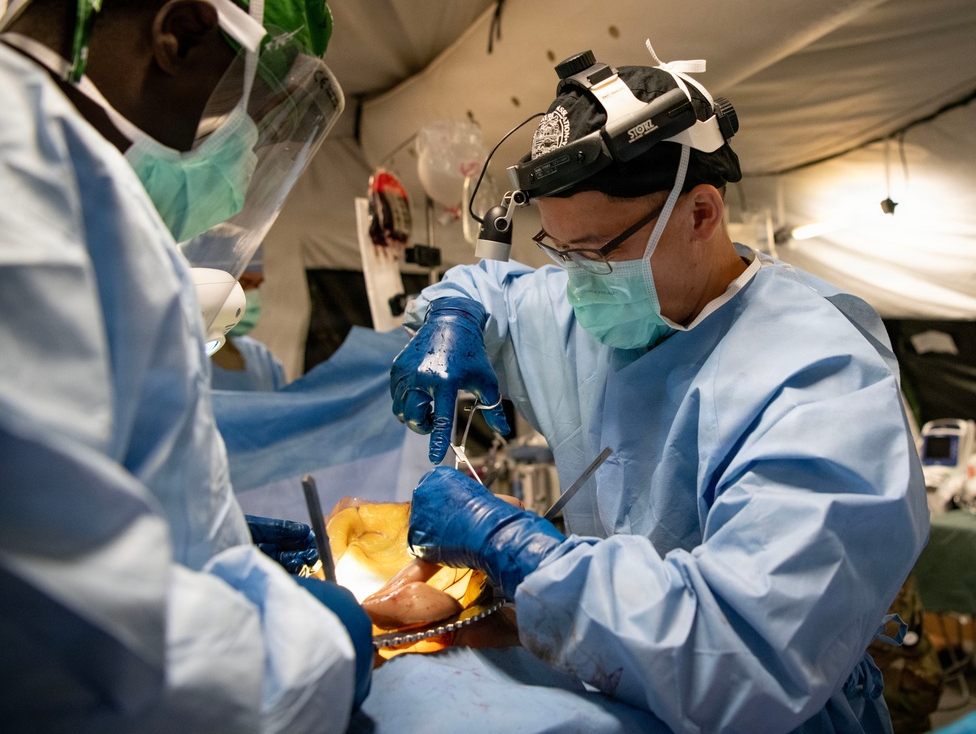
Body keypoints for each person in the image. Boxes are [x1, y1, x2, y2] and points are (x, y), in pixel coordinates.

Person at [390, 46, 930, 733]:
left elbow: (738, 652)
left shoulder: (823, 383)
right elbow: (492, 289)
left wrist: (517, 550)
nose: (576, 281)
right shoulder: (598, 313)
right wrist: (449, 319)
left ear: (701, 213)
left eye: (597, 251)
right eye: (560, 253)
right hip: (622, 684)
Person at [0, 0, 372, 730]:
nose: (242, 167)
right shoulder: (1, 158)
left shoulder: (78, 187)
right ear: (179, 36)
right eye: (243, 124)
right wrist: (302, 650)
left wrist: (195, 536)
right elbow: (69, 640)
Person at [212, 249, 289, 392]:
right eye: (245, 282)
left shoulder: (263, 359)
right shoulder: (179, 357)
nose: (253, 294)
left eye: (257, 285)